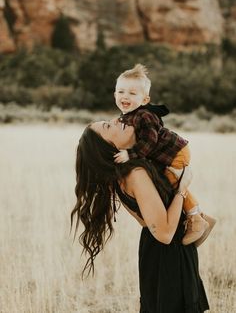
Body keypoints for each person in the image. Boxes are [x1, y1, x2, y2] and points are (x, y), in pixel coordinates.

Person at [71, 119, 210, 312]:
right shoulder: (135, 174)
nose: (115, 120)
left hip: (155, 249)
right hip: (168, 254)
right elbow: (165, 234)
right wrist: (181, 189)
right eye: (107, 126)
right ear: (108, 147)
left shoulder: (121, 174)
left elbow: (144, 221)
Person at [113, 64, 216, 245]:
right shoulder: (127, 116)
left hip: (175, 152)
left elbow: (149, 142)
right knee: (166, 182)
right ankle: (201, 217)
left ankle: (197, 219)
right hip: (164, 155)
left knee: (173, 180)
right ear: (114, 95)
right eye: (121, 92)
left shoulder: (144, 116)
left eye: (132, 93)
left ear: (145, 100)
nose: (125, 97)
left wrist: (130, 154)